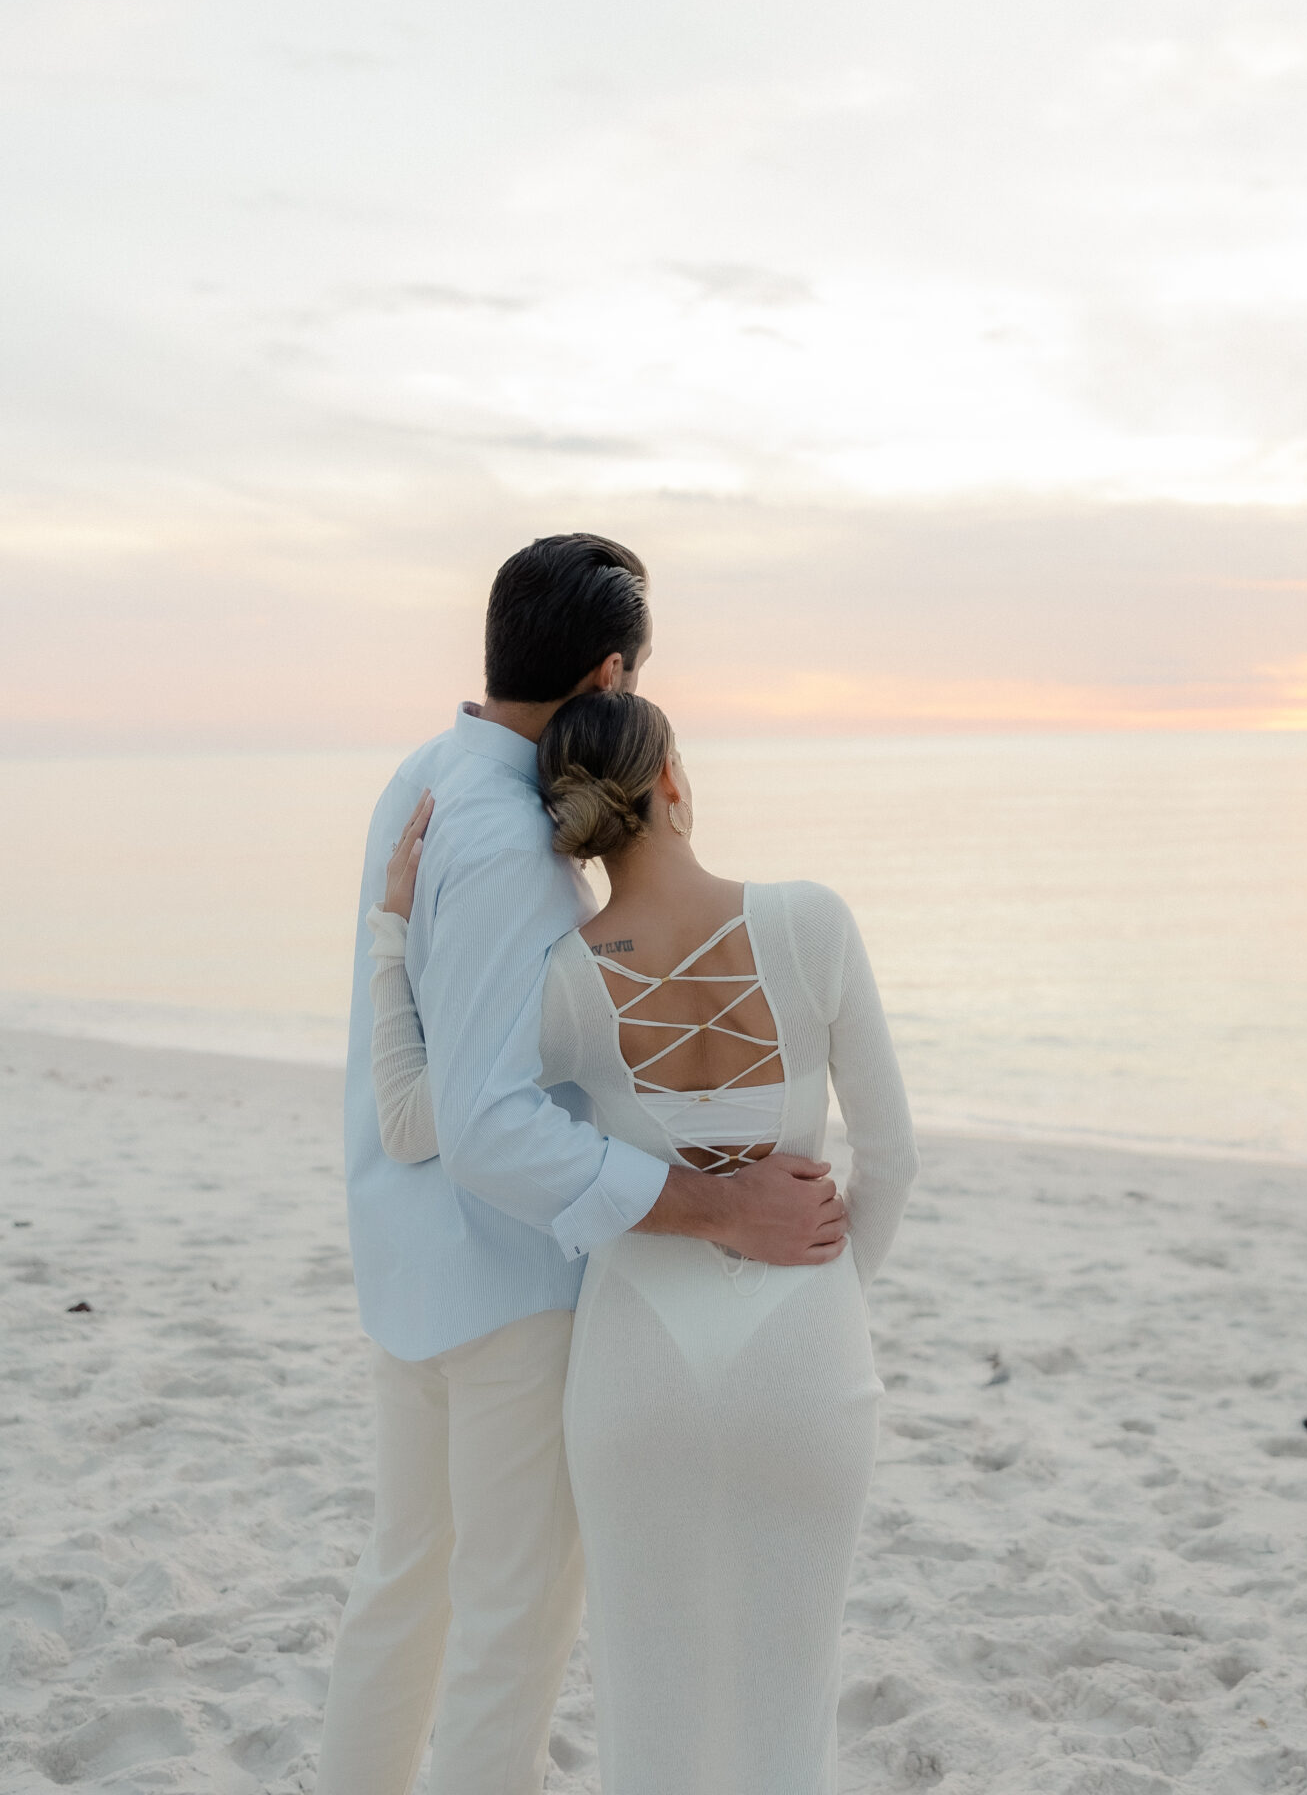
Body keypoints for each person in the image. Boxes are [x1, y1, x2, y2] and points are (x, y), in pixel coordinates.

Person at [319, 535, 847, 1795]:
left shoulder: (421, 777)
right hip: (503, 1292)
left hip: (409, 1263)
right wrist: (717, 1207)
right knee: (509, 1624)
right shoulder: (511, 841)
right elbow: (492, 1119)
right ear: (609, 675)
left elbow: (416, 1064)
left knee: (406, 1588)